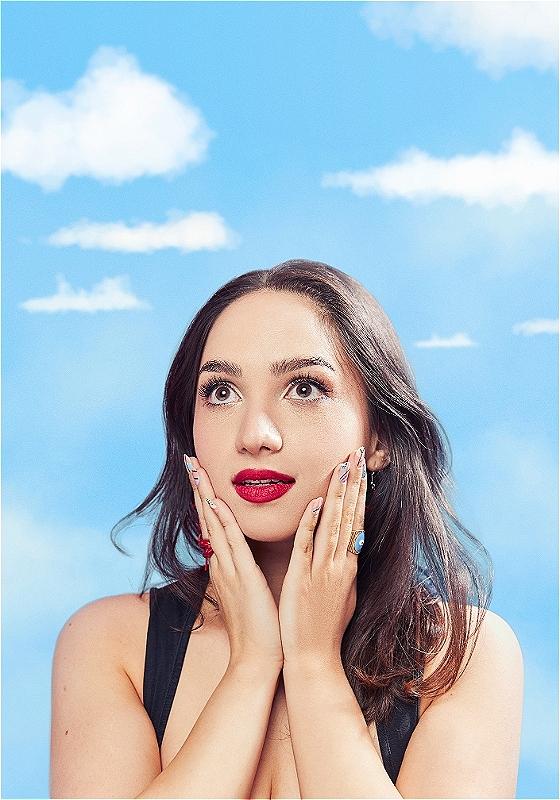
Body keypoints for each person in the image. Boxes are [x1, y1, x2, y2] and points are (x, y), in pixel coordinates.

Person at [50, 259, 524, 799]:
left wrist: (313, 665)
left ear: (379, 438)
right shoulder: (111, 645)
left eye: (304, 388)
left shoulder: (462, 655)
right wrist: (251, 666)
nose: (255, 434)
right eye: (221, 392)